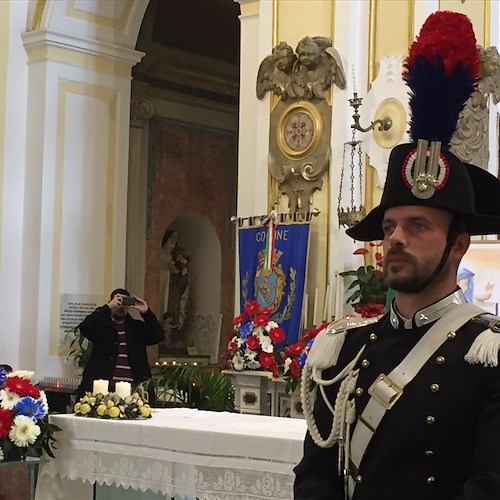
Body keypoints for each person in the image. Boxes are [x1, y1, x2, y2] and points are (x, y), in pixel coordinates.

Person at [294, 11, 500, 500]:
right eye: (389, 226)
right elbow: (316, 475)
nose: (395, 239)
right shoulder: (342, 348)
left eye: (418, 225)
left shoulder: (487, 355)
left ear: (458, 243)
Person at [75, 288, 164, 398]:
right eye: (118, 302)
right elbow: (85, 327)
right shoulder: (101, 327)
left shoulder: (137, 328)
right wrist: (107, 308)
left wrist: (146, 311)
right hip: (104, 388)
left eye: (125, 302)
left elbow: (158, 335)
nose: (121, 306)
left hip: (134, 389)